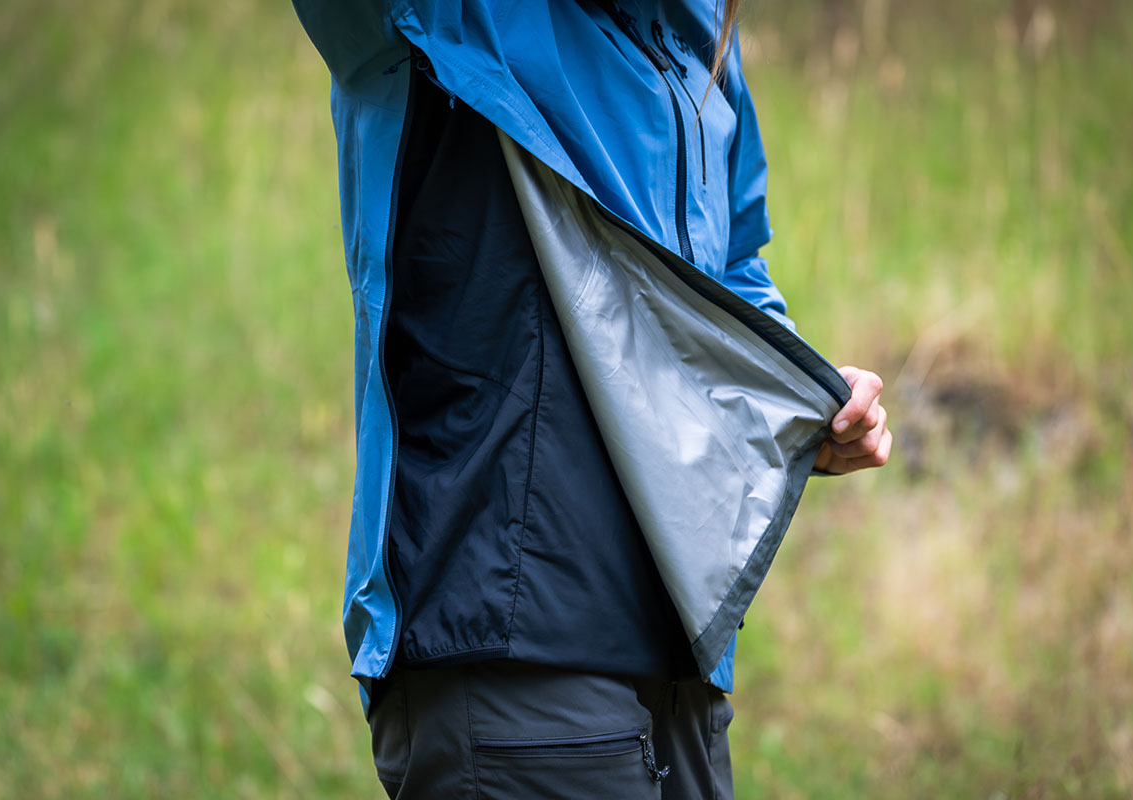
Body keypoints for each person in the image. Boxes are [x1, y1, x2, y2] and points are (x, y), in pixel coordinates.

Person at [292, 1, 891, 797]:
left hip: (682, 642)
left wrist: (804, 396)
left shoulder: (701, 25)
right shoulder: (456, 14)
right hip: (509, 640)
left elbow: (730, 262)